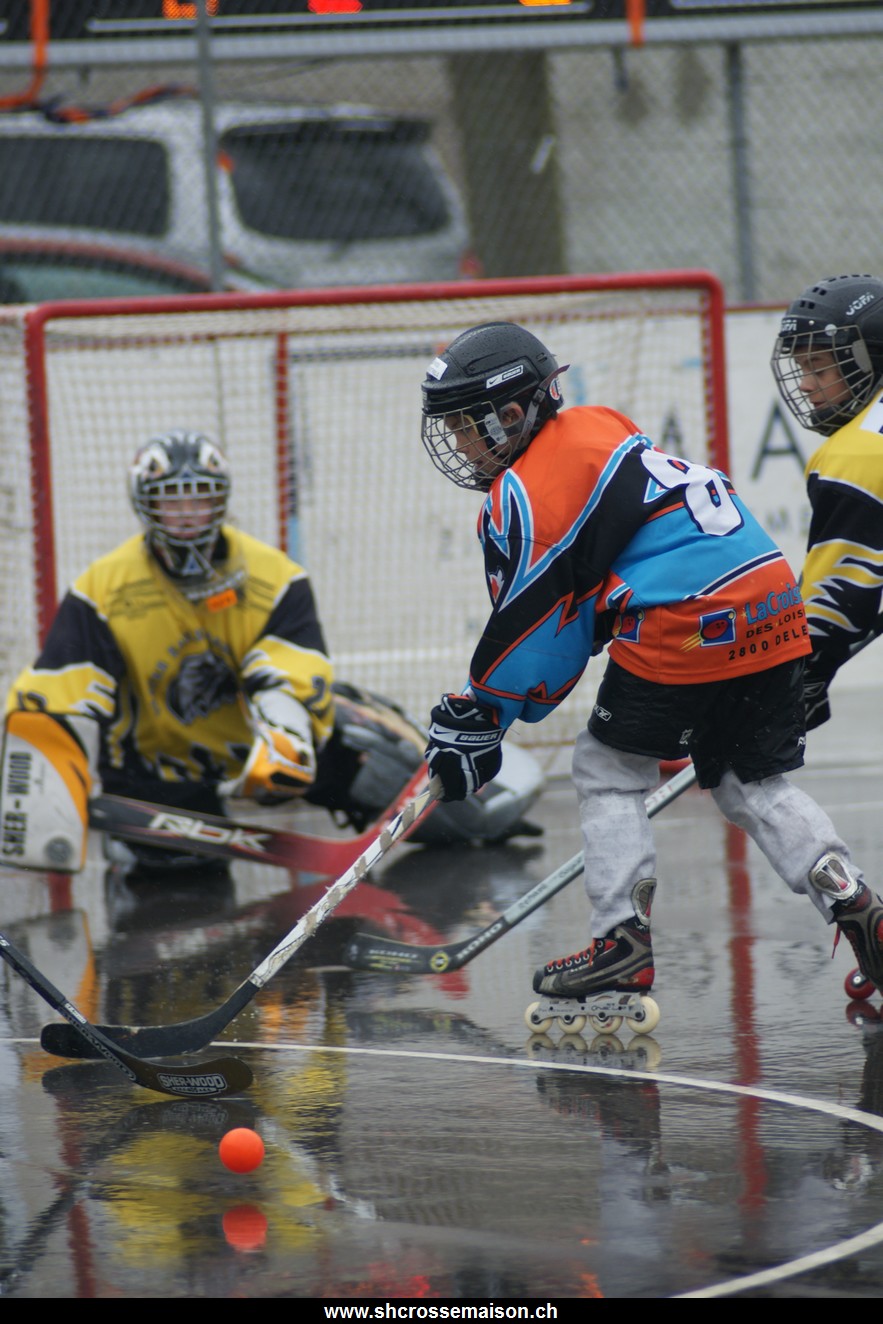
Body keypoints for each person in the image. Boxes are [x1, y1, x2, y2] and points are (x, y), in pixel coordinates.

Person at [418, 320, 883, 1009]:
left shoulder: (523, 491)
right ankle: (853, 901)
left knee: (606, 769)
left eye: (465, 425)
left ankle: (619, 943)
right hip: (773, 601)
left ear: (511, 414)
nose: (459, 443)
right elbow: (589, 596)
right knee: (750, 780)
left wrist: (481, 715)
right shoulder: (599, 423)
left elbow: (538, 632)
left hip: (691, 619)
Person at [2, 428, 335, 872]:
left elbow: (292, 665)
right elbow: (57, 691)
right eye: (171, 500)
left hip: (246, 763)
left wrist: (286, 734)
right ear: (145, 503)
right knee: (173, 885)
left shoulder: (277, 578)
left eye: (200, 498)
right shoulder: (102, 588)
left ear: (221, 500)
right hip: (151, 777)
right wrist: (45, 787)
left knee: (364, 748)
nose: (187, 514)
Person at [771, 272, 883, 731]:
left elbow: (839, 600)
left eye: (818, 368)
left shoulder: (854, 454)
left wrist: (796, 679)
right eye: (801, 369)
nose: (804, 385)